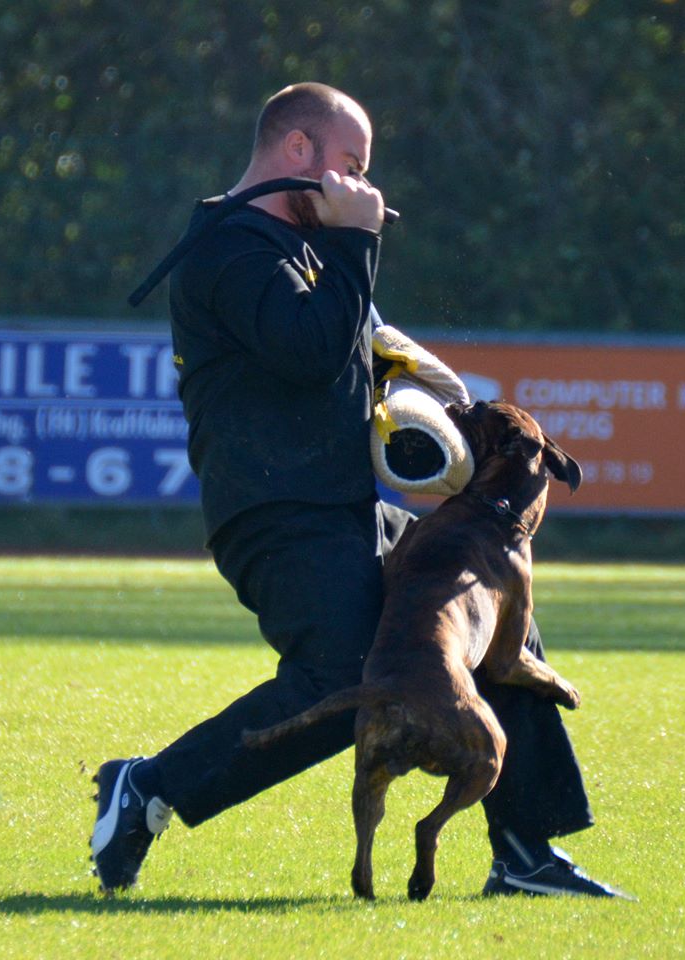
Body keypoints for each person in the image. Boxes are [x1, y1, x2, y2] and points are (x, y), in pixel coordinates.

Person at [89, 82, 629, 899]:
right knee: (346, 677)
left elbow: (347, 343)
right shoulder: (229, 249)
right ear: (296, 150)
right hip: (277, 512)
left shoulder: (304, 249)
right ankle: (151, 787)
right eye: (351, 164)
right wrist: (354, 241)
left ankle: (526, 852)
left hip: (348, 507)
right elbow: (309, 351)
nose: (362, 187)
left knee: (483, 601)